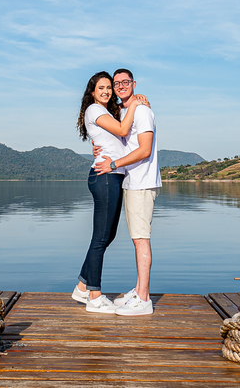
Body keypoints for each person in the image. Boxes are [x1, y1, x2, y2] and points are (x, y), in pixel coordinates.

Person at [71, 71, 149, 314]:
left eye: (108, 88)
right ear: (92, 92)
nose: (106, 91)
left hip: (112, 177)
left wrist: (134, 101)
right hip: (105, 177)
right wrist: (136, 102)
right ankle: (94, 296)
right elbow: (124, 130)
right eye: (101, 88)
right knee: (101, 238)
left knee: (107, 235)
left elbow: (115, 138)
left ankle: (83, 286)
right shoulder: (94, 110)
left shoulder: (105, 111)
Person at [94, 68, 159, 316]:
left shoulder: (142, 111)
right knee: (136, 237)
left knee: (141, 238)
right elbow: (121, 142)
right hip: (130, 182)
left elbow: (144, 150)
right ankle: (138, 290)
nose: (120, 86)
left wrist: (113, 164)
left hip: (142, 181)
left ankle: (143, 300)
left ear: (133, 83)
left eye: (125, 82)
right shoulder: (123, 111)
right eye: (116, 83)